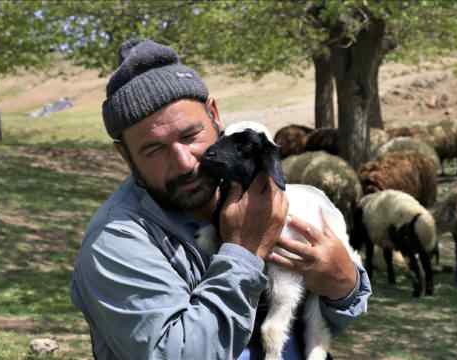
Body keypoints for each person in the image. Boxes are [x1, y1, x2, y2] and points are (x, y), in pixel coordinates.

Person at [70, 39, 372, 360]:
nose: (185, 163)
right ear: (125, 154)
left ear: (213, 113)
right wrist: (244, 252)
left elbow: (311, 318)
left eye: (190, 135)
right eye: (154, 149)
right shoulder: (116, 245)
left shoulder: (249, 192)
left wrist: (344, 286)